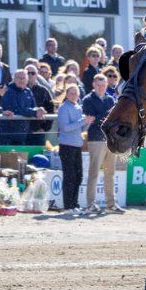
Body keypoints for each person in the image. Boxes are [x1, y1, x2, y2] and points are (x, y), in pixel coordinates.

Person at [82, 73, 121, 214]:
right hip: (96, 139)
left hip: (110, 139)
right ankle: (90, 204)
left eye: (103, 85)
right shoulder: (87, 100)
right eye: (98, 85)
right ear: (93, 85)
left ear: (106, 85)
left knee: (110, 173)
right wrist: (106, 117)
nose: (101, 87)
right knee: (94, 173)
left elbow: (111, 118)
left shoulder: (110, 99)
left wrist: (101, 117)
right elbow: (91, 119)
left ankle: (111, 204)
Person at [56, 84, 85, 213]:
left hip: (77, 145)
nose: (74, 95)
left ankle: (74, 204)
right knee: (70, 176)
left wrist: (88, 122)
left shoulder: (78, 107)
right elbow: (65, 127)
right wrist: (83, 121)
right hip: (67, 146)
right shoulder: (63, 108)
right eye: (71, 93)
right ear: (67, 94)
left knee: (78, 176)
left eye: (76, 93)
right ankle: (68, 206)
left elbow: (81, 128)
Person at [0, 70, 40, 146]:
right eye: (19, 78)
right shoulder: (8, 91)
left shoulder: (28, 91)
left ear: (27, 80)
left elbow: (34, 107)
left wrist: (39, 110)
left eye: (23, 78)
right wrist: (35, 112)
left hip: (22, 133)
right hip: (6, 133)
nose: (21, 80)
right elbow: (16, 110)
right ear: (14, 79)